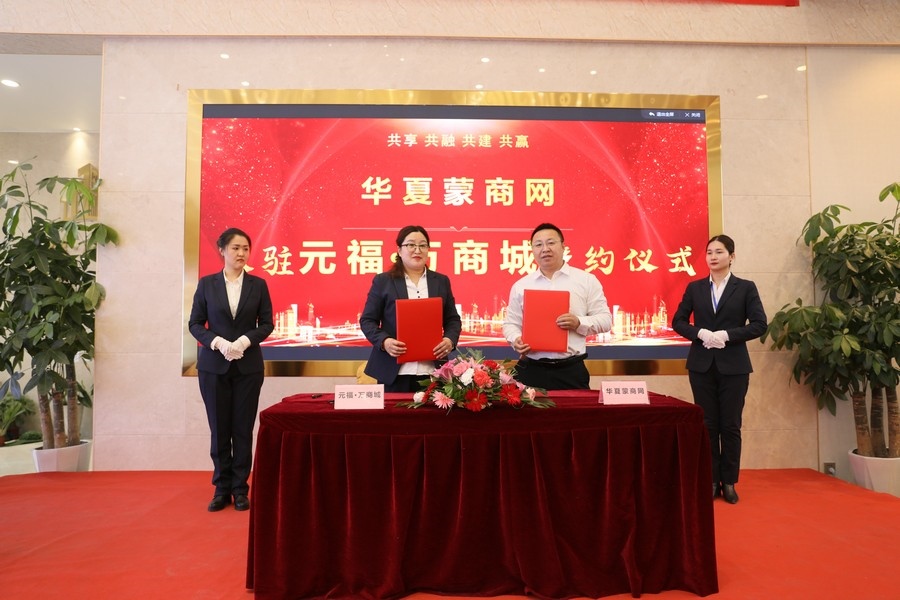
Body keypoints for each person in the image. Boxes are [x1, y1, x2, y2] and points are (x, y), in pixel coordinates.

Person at [672, 234, 767, 505]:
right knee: (707, 425)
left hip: (734, 366)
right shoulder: (695, 288)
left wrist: (727, 335)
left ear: (732, 256)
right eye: (709, 252)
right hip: (701, 366)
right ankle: (711, 480)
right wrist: (700, 332)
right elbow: (678, 321)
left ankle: (729, 482)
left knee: (731, 425)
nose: (713, 257)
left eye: (719, 252)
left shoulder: (745, 287)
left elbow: (759, 324)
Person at [188, 227, 274, 512]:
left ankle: (240, 488)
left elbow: (267, 323)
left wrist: (245, 341)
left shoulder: (258, 285)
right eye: (236, 248)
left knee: (243, 428)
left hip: (248, 367)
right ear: (222, 250)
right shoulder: (207, 284)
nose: (241, 253)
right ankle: (221, 488)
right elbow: (195, 324)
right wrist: (218, 343)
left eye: (245, 248)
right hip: (214, 367)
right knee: (219, 429)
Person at [502, 223, 612, 390]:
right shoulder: (521, 285)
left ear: (563, 246)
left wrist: (578, 322)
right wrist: (515, 339)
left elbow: (605, 320)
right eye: (538, 245)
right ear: (532, 250)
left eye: (551, 243)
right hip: (531, 369)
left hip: (571, 370)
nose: (545, 249)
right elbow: (511, 324)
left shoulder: (586, 280)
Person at [359, 225, 462, 392]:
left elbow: (452, 320)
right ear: (399, 250)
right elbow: (367, 320)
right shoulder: (383, 281)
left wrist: (449, 340)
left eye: (423, 245)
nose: (417, 250)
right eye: (411, 245)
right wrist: (385, 342)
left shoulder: (441, 281)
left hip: (433, 371)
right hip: (393, 372)